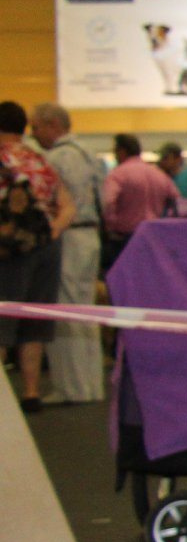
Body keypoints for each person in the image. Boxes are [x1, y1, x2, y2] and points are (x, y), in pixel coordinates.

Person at [28, 103, 106, 403]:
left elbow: (57, 200)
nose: (34, 134)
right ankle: (89, 385)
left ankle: (71, 387)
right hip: (90, 233)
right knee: (86, 312)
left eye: (36, 127)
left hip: (69, 235)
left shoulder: (58, 157)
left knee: (66, 310)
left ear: (51, 125)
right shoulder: (89, 153)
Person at [0, 101, 75, 412]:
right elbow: (68, 205)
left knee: (3, 317)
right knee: (35, 320)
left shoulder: (4, 160)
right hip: (47, 246)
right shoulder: (39, 160)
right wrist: (51, 232)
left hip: (9, 251)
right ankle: (32, 393)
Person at [100, 134, 177, 272]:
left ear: (121, 151)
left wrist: (111, 224)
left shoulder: (118, 174)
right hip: (153, 235)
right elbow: (176, 200)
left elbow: (107, 202)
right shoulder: (158, 174)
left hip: (124, 238)